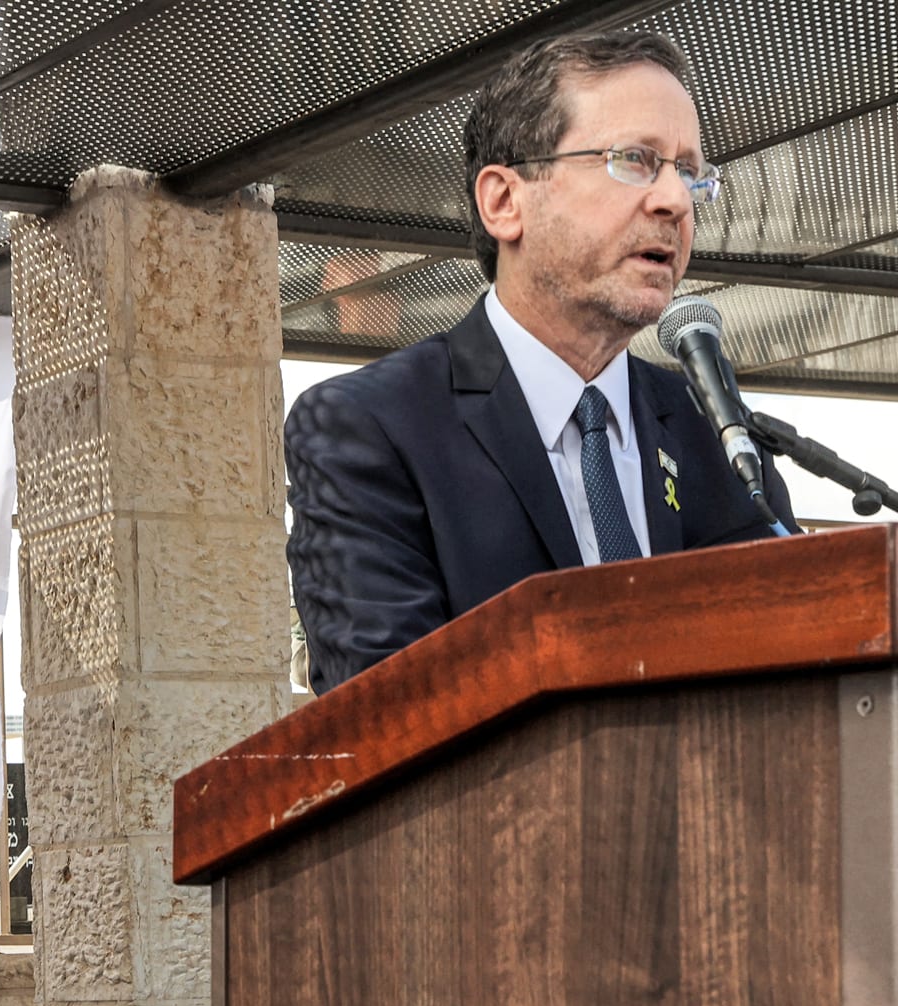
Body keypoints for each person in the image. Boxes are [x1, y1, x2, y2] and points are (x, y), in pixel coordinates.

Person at [284, 31, 799, 696]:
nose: (675, 200)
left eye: (692, 173)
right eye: (635, 160)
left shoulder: (720, 441)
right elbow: (388, 717)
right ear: (504, 202)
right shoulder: (370, 429)